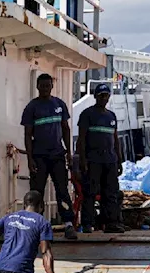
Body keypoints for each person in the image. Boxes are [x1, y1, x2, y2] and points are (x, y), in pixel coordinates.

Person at [21, 74, 78, 241]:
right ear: (37, 87)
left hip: (58, 155)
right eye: (42, 86)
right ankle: (34, 226)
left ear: (52, 86)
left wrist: (69, 151)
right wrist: (30, 158)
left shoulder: (59, 105)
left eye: (48, 85)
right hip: (39, 156)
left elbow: (66, 129)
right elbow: (27, 135)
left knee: (62, 190)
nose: (45, 88)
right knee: (36, 192)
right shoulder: (32, 108)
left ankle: (68, 224)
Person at [76, 82, 126, 234]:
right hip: (93, 160)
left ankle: (111, 223)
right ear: (96, 97)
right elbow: (81, 139)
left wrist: (119, 159)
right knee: (90, 193)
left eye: (106, 95)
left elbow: (115, 139)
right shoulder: (87, 114)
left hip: (110, 161)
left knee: (111, 193)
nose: (104, 98)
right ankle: (87, 224)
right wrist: (83, 160)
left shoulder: (111, 116)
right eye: (101, 96)